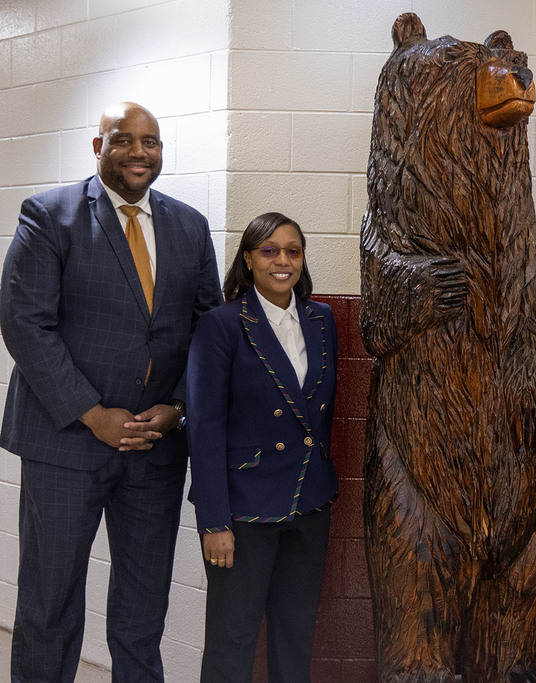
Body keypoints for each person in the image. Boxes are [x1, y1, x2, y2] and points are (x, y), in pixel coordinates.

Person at [0, 101, 222, 682]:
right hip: (66, 446)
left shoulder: (190, 227)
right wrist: (92, 413)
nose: (139, 152)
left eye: (150, 142)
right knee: (50, 604)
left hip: (156, 450)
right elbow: (25, 322)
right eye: (123, 140)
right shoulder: (50, 216)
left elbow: (207, 328)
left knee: (142, 610)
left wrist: (176, 409)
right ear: (98, 147)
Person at [186, 212, 338, 683]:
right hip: (244, 511)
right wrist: (214, 521)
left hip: (308, 504)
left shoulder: (322, 319)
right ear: (249, 258)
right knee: (232, 639)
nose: (282, 260)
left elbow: (321, 415)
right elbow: (204, 429)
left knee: (296, 635)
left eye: (293, 250)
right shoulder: (222, 324)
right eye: (269, 250)